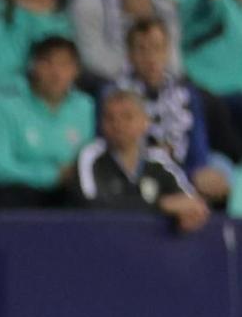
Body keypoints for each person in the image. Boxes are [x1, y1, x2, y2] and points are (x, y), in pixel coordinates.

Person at [0, 35, 97, 212]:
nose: (56, 73)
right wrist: (53, 175)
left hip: (60, 191)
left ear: (76, 70)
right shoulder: (3, 102)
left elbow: (83, 160)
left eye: (64, 64)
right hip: (9, 188)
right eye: (47, 63)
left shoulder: (84, 106)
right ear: (34, 66)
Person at [67, 87, 209, 231]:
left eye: (127, 117)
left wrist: (189, 214)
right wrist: (159, 205)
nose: (118, 125)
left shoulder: (159, 160)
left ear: (145, 122)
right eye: (110, 118)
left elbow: (190, 202)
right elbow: (90, 205)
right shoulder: (90, 156)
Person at [113, 16, 222, 197]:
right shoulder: (115, 95)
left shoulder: (187, 93)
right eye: (142, 49)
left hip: (183, 175)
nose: (150, 57)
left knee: (218, 175)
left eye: (157, 48)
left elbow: (197, 147)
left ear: (167, 51)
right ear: (129, 55)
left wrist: (194, 174)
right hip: (135, 179)